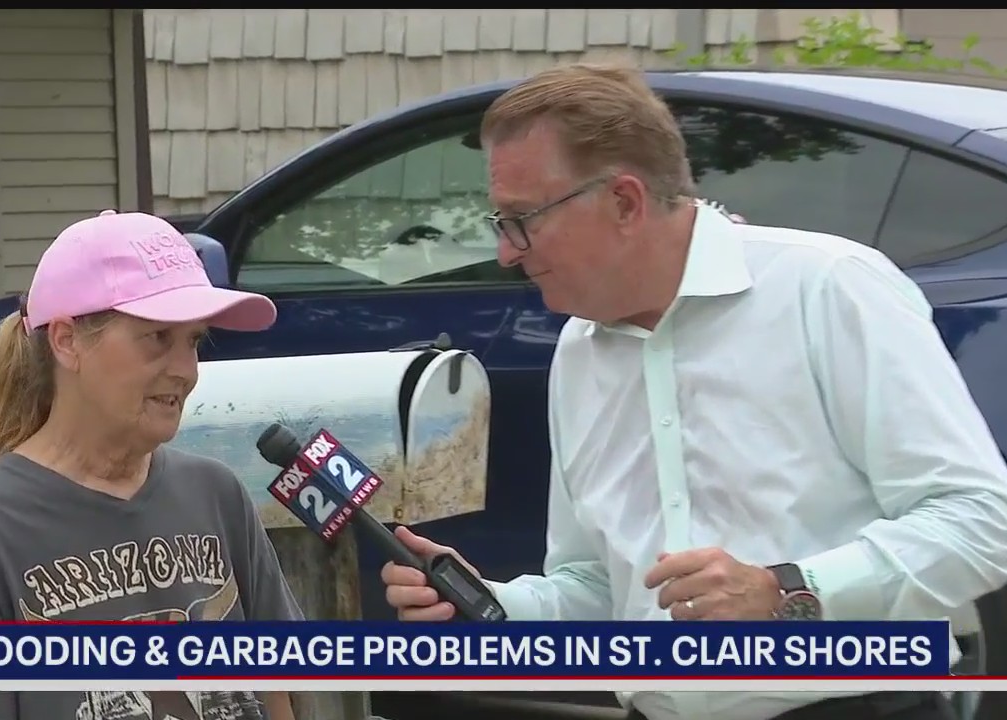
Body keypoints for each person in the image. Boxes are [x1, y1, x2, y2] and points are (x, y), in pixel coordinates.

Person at [380, 63, 1007, 720]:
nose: (507, 251)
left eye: (522, 219)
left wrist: (788, 592)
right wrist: (494, 604)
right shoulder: (579, 350)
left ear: (625, 201)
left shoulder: (828, 288)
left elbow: (982, 520)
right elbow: (600, 589)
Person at [0, 210, 302, 720]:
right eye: (157, 338)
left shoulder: (216, 495)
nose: (186, 371)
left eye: (193, 340)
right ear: (67, 341)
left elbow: (279, 691)